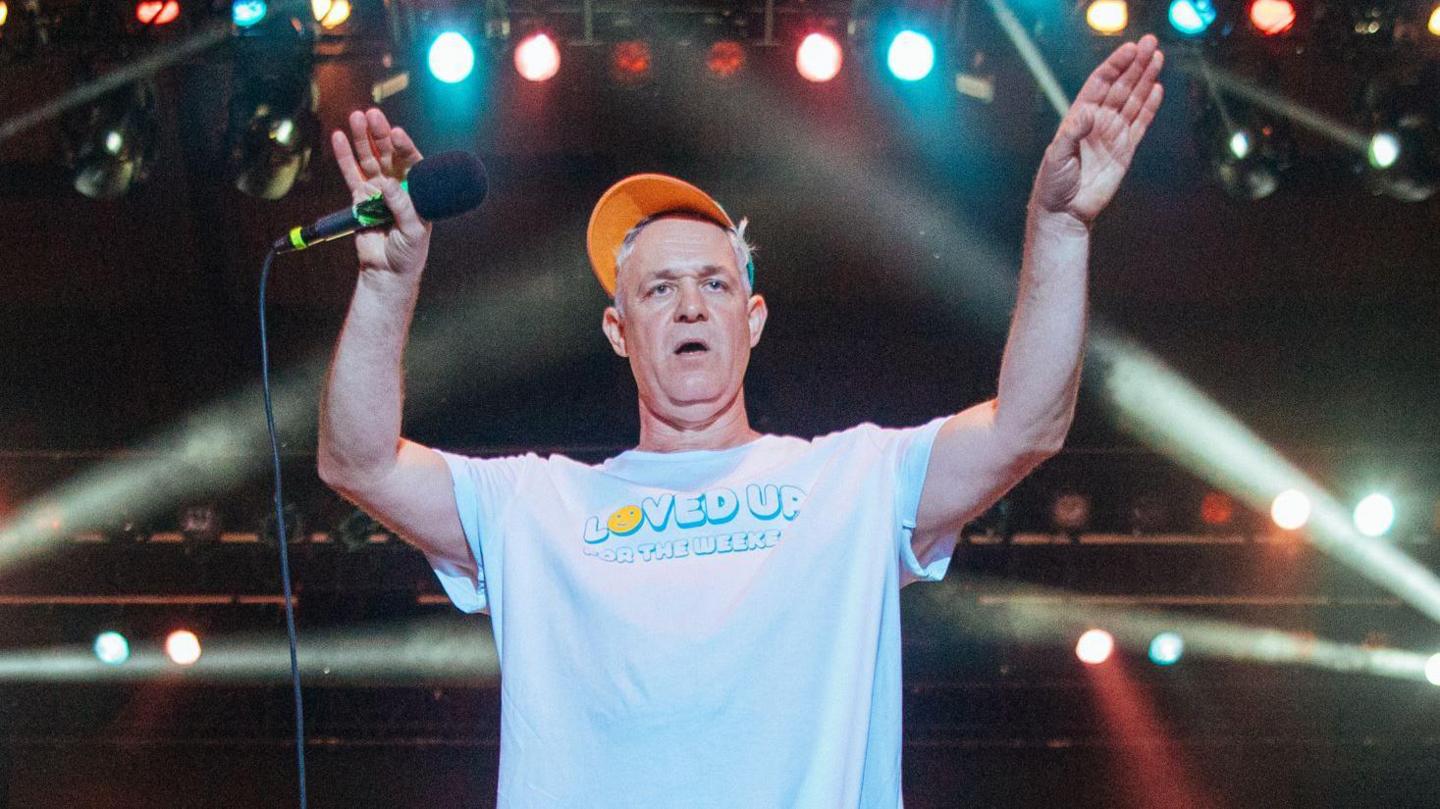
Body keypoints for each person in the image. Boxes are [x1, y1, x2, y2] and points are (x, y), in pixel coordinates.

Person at [317, 35, 1165, 809]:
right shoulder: (534, 503)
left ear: (751, 319)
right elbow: (359, 460)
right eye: (658, 289)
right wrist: (387, 286)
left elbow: (1026, 427)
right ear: (619, 331)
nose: (690, 303)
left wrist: (1058, 226)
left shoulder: (854, 479)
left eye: (715, 284)